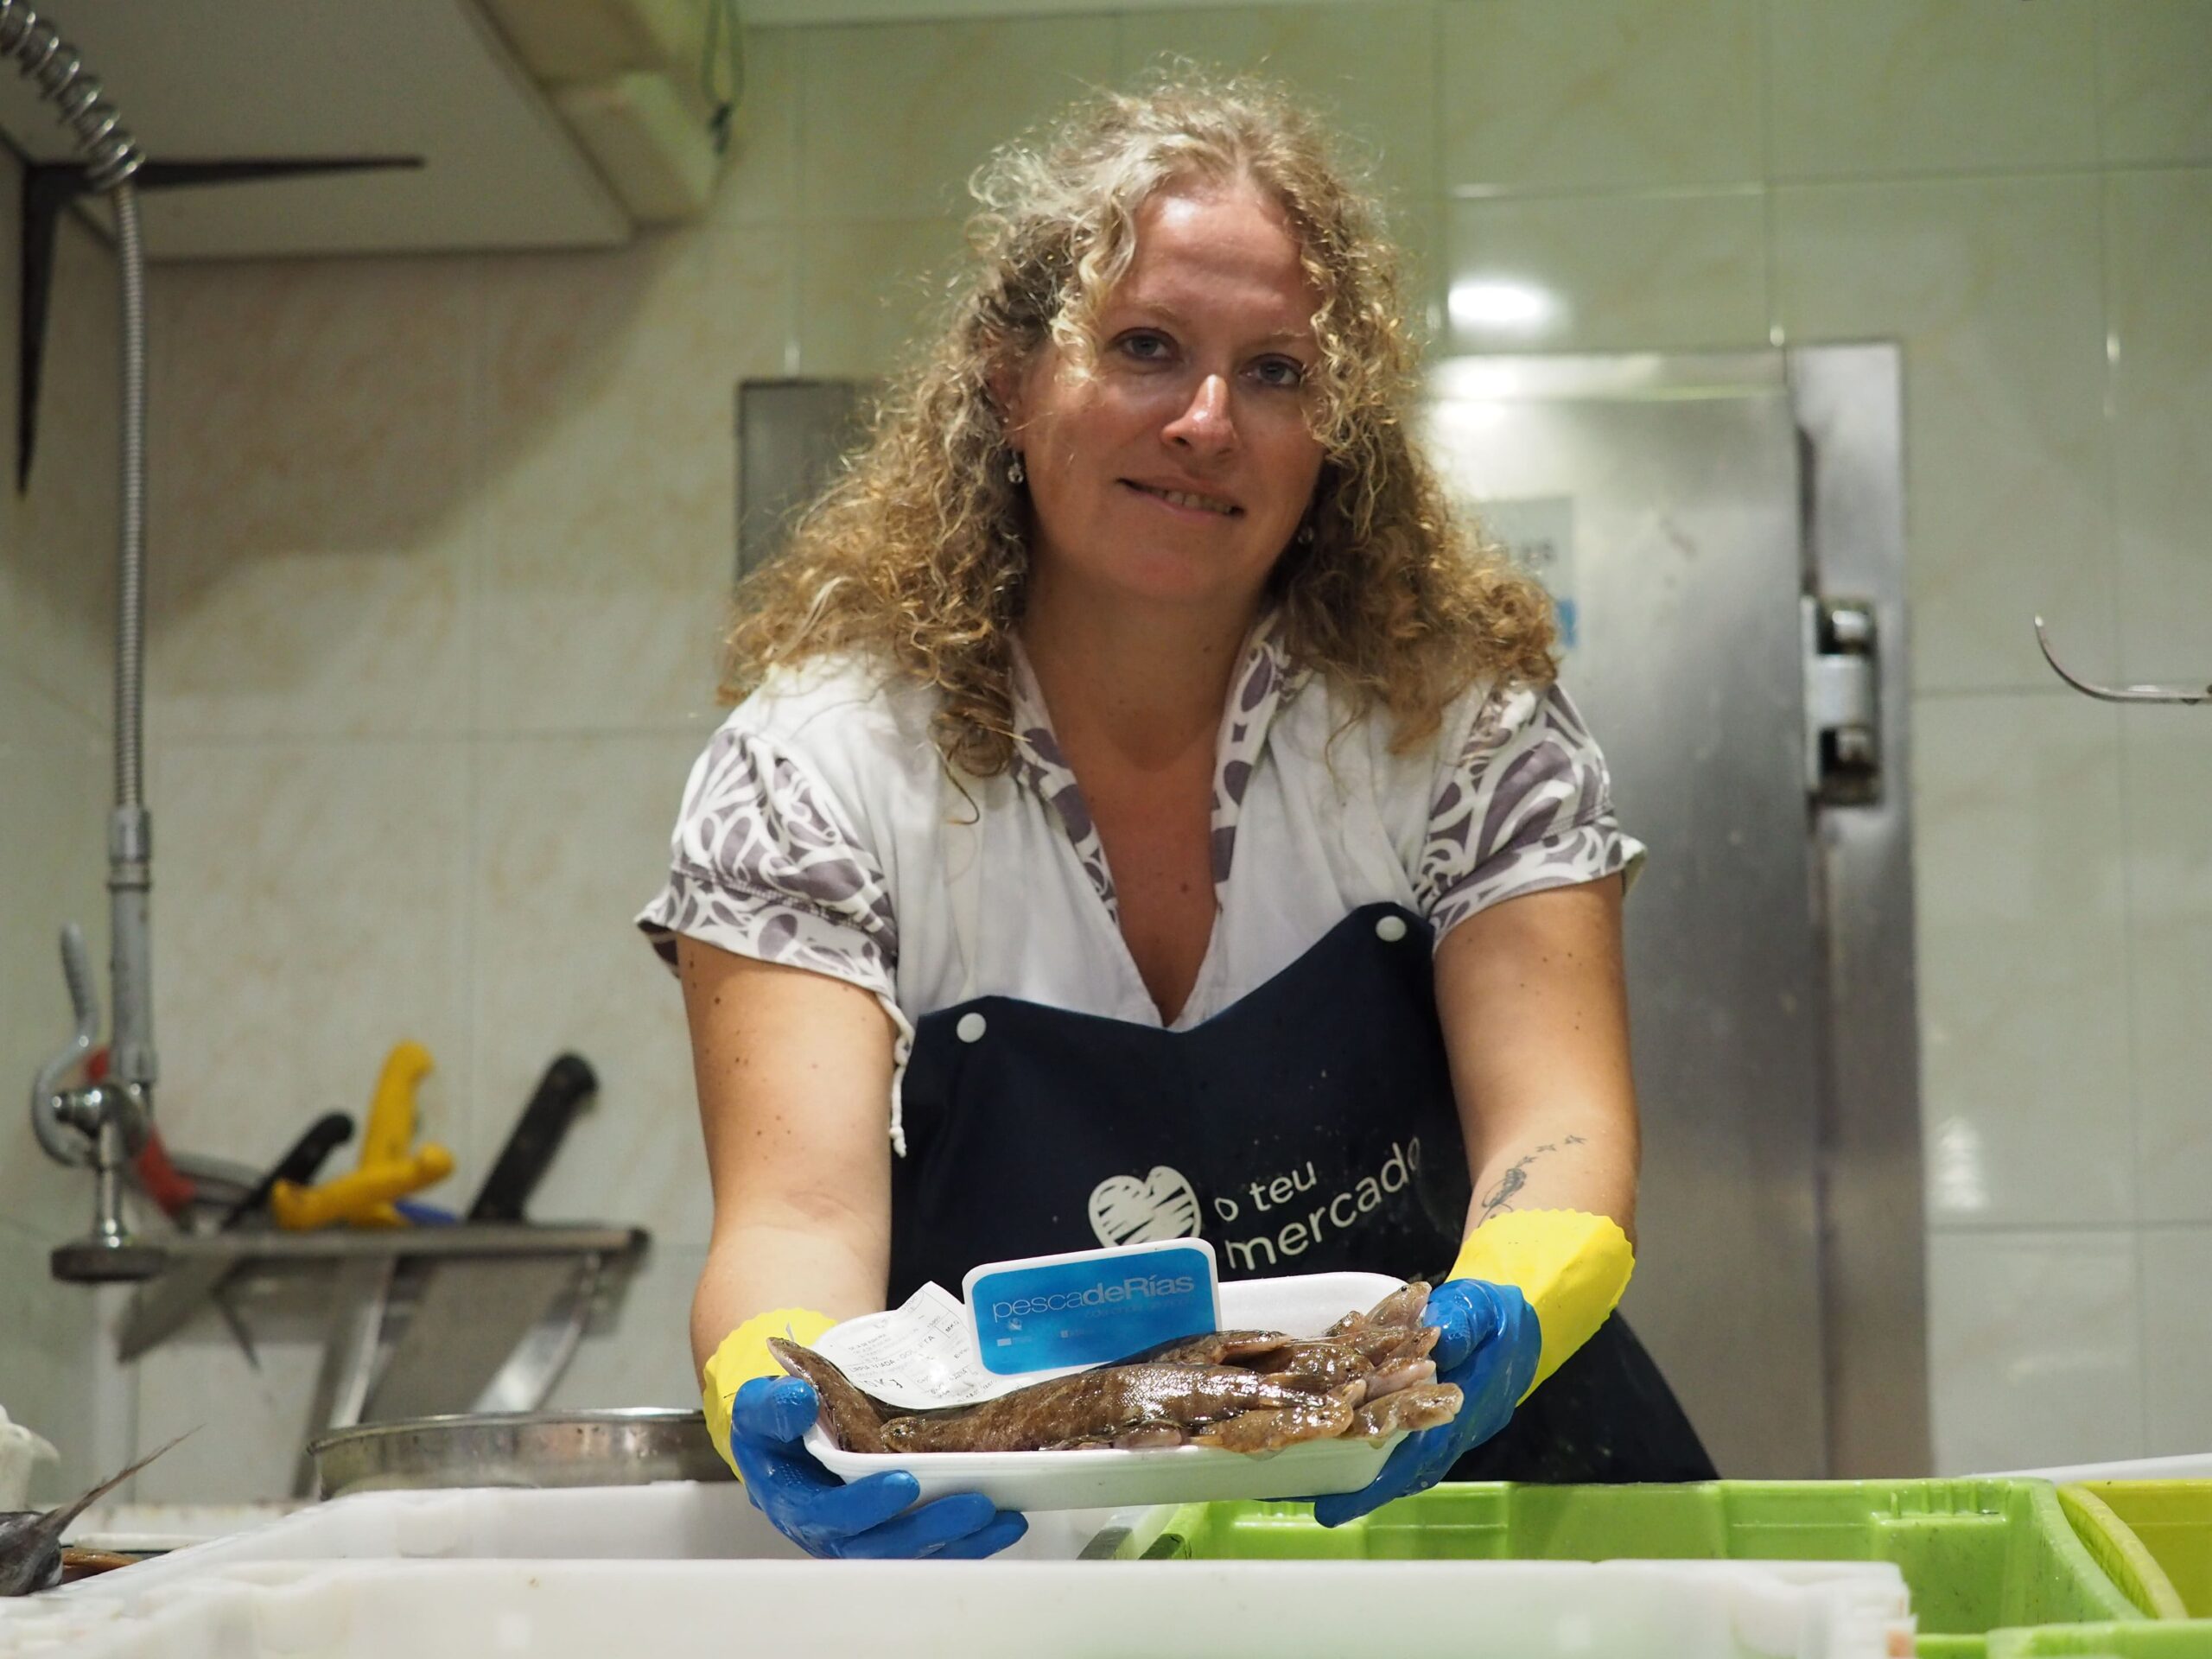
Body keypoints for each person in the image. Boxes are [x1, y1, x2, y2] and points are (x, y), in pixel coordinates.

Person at [640, 74, 1713, 1561]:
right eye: (1147, 347)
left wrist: (1494, 1323)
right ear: (1013, 380)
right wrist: (784, 1388)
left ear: (1331, 429)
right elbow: (795, 1222)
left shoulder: (1455, 718)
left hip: (1488, 1504)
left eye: (1275, 372)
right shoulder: (818, 768)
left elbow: (1562, 1124)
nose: (1209, 420)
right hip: (1063, 1550)